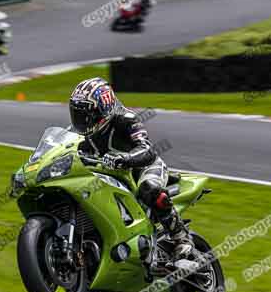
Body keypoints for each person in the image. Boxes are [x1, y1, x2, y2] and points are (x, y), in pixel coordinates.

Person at [68, 77, 196, 267]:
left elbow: (147, 149)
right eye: (77, 114)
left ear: (103, 108)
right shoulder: (81, 133)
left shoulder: (126, 119)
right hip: (111, 175)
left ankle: (181, 238)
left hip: (144, 167)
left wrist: (125, 158)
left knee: (149, 188)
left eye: (86, 115)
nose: (81, 121)